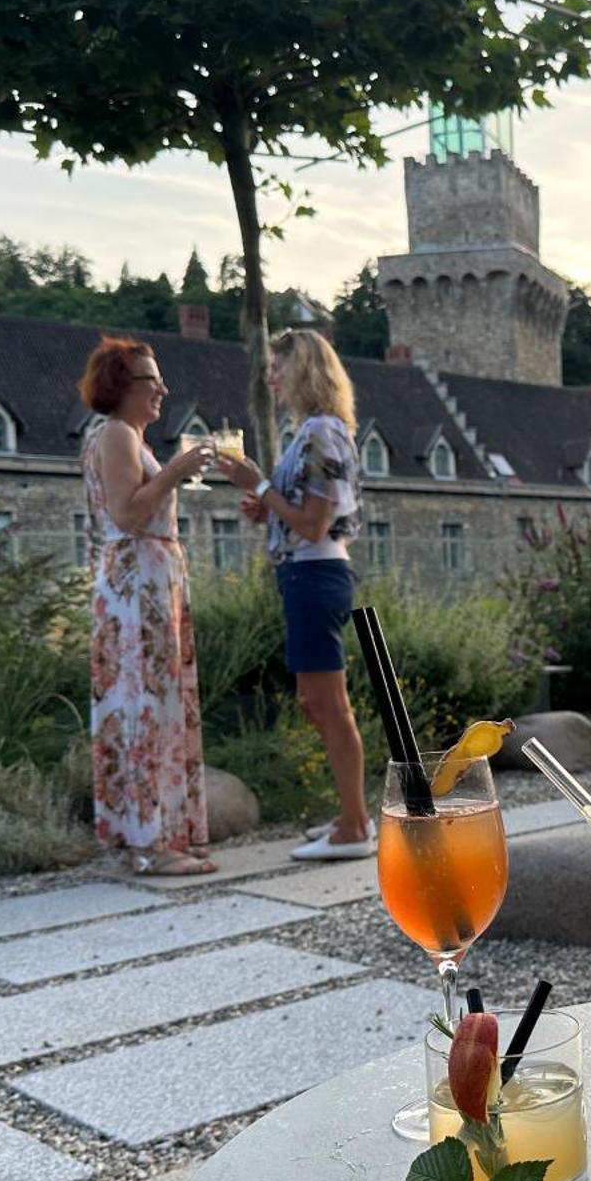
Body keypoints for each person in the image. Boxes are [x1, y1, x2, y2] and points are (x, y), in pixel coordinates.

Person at [220, 330, 374, 861]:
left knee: (329, 704)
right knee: (318, 702)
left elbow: (314, 526)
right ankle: (351, 815)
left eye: (277, 366)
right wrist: (268, 507)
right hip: (306, 575)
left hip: (315, 574)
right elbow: (307, 517)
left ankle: (355, 827)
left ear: (303, 369)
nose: (270, 377)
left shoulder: (320, 435)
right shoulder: (313, 433)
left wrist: (261, 487)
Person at [78, 337, 216, 875]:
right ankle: (152, 843)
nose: (162, 388)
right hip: (137, 585)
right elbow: (127, 513)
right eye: (149, 380)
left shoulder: (126, 437)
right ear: (120, 386)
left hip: (147, 582)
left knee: (156, 702)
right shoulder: (115, 433)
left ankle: (163, 832)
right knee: (147, 704)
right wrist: (175, 472)